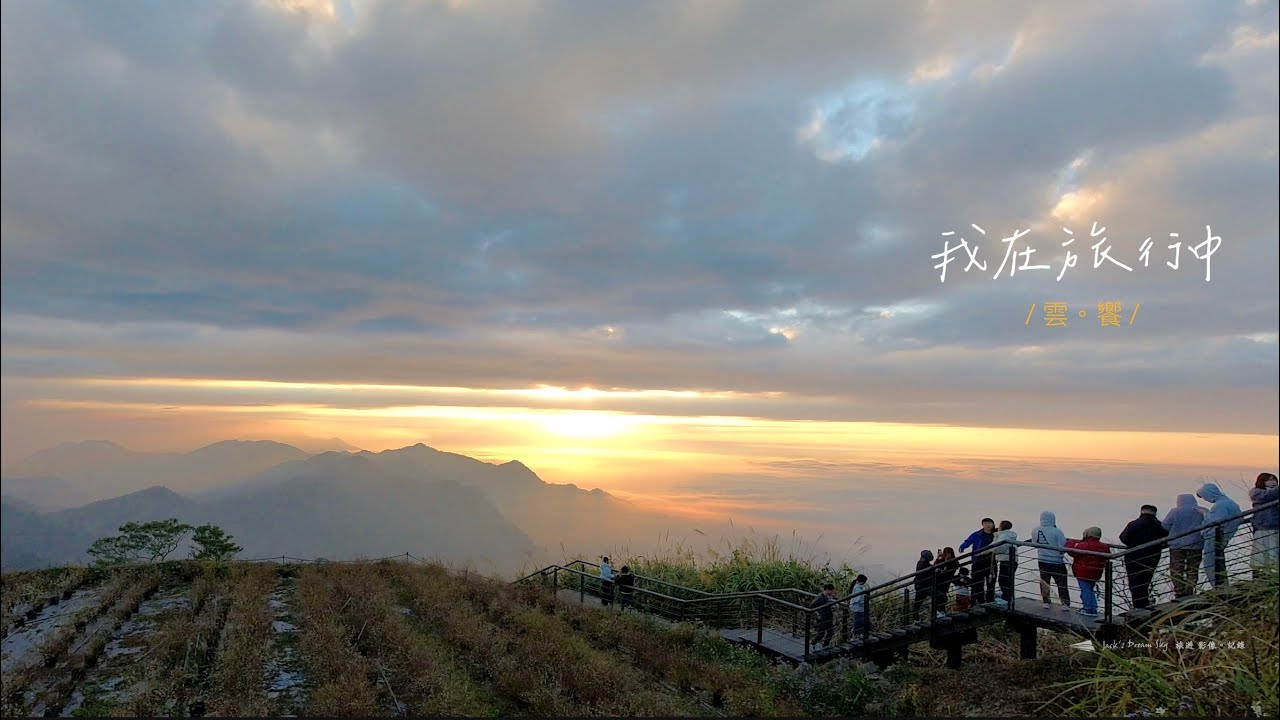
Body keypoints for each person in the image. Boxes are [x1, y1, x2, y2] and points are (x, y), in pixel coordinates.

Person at [1118, 505, 1169, 610]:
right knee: (1145, 580)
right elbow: (1167, 540)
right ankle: (1143, 604)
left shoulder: (1133, 524)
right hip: (1152, 556)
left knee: (1134, 581)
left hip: (1133, 555)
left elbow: (1123, 537)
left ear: (1141, 512)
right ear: (1155, 513)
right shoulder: (1160, 526)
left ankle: (1138, 606)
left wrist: (1133, 544)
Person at [1197, 483, 1242, 589]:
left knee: (1210, 564)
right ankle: (1222, 585)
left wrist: (1205, 513)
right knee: (1218, 561)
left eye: (1204, 496)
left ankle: (1218, 587)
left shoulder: (1221, 505)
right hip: (1224, 536)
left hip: (1215, 537)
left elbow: (1216, 521)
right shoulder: (1230, 503)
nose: (1205, 499)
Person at [1163, 494, 1207, 597]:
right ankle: (1189, 590)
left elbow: (1165, 526)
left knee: (1176, 569)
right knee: (1193, 569)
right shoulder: (1202, 510)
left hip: (1176, 545)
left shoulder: (1175, 511)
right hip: (1196, 544)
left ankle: (1179, 591)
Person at [1032, 511, 1071, 609]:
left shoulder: (1035, 530)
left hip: (1042, 560)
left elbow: (1034, 544)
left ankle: (1046, 601)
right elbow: (1062, 546)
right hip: (1056, 561)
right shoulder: (1057, 531)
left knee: (1044, 581)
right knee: (1061, 582)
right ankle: (1065, 603)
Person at [1066, 527, 1108, 617]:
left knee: (1085, 590)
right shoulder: (1104, 547)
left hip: (1083, 572)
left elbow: (1072, 552)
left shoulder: (1084, 545)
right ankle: (1093, 608)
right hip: (1096, 573)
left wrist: (1070, 543)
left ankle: (1088, 608)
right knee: (1090, 590)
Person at [959, 518, 997, 603]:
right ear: (982, 525)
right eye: (985, 523)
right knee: (978, 583)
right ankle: (980, 601)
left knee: (991, 583)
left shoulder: (996, 534)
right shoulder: (977, 534)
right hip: (978, 561)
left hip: (991, 561)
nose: (988, 525)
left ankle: (990, 601)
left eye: (990, 523)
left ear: (993, 524)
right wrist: (962, 546)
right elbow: (968, 541)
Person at [1249, 473, 1279, 578]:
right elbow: (1268, 495)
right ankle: (1262, 576)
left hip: (1275, 526)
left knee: (1274, 551)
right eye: (1269, 480)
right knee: (1263, 552)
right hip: (1264, 526)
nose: (1273, 482)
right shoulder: (1256, 492)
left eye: (1274, 479)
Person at [990, 520, 1018, 606]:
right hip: (1010, 560)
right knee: (1007, 580)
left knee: (1003, 580)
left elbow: (997, 548)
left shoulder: (1004, 536)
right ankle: (1008, 597)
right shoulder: (1008, 535)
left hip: (1006, 560)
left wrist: (995, 537)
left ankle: (1007, 598)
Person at [810, 583, 838, 650]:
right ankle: (813, 644)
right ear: (827, 590)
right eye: (831, 591)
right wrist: (817, 614)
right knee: (821, 634)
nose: (832, 592)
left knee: (830, 632)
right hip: (822, 618)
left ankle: (825, 646)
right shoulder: (819, 597)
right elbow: (811, 606)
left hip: (828, 617)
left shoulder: (828, 597)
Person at [932, 547, 958, 619]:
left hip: (946, 581)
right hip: (939, 581)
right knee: (939, 596)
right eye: (945, 553)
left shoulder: (954, 561)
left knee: (943, 596)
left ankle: (941, 611)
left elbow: (951, 571)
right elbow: (934, 566)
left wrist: (947, 561)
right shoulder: (942, 560)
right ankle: (939, 611)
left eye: (948, 553)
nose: (947, 555)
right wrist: (938, 558)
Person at [911, 550, 935, 620]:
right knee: (940, 597)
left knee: (917, 603)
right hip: (923, 586)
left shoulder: (920, 563)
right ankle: (937, 615)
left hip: (919, 585)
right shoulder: (925, 565)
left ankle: (916, 620)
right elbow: (931, 569)